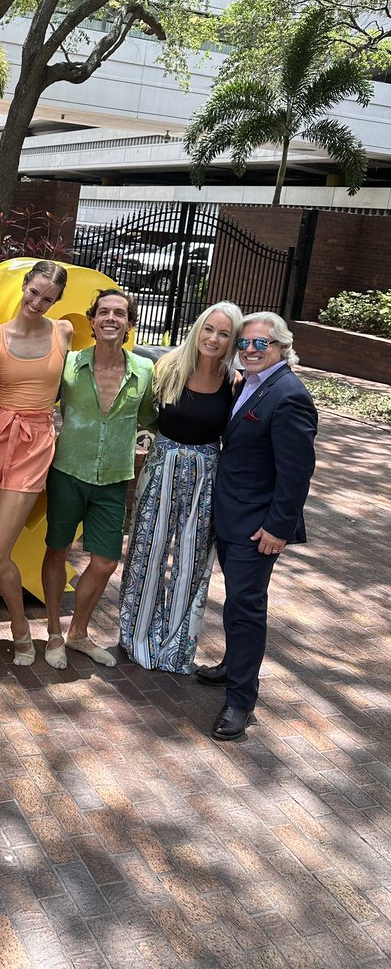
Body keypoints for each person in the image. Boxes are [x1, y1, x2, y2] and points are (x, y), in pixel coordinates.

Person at [196, 312, 317, 740]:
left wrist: (277, 529)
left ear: (281, 347)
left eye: (260, 344)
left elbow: (296, 474)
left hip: (258, 529)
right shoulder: (249, 384)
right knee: (237, 604)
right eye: (244, 343)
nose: (249, 349)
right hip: (233, 518)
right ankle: (233, 665)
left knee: (247, 610)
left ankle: (241, 701)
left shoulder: (288, 396)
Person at [118, 302, 243, 673]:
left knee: (190, 559)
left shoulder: (233, 383)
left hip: (206, 475)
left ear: (232, 340)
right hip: (161, 467)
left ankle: (176, 645)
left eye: (224, 333)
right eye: (209, 329)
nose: (214, 338)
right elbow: (145, 416)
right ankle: (136, 633)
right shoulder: (169, 367)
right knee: (148, 549)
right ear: (198, 329)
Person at [0, 260, 72, 667]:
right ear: (24, 285)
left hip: (35, 443)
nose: (38, 302)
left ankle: (22, 631)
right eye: (34, 292)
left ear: (57, 301)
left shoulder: (64, 332)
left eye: (48, 298)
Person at [41, 288, 157, 670]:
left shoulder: (144, 370)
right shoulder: (70, 364)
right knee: (57, 551)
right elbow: (40, 403)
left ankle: (79, 633)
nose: (110, 318)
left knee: (106, 561)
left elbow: (152, 419)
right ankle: (54, 634)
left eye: (119, 313)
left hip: (113, 478)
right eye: (103, 312)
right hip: (66, 473)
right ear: (91, 320)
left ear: (128, 323)